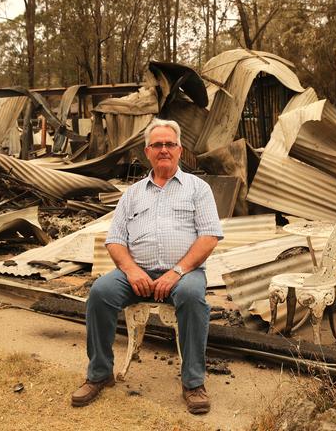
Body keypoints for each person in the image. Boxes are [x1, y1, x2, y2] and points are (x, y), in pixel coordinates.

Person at [71, 118, 223, 414]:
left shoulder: (198, 189)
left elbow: (209, 237)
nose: (163, 149)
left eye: (169, 144)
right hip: (136, 272)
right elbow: (115, 241)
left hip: (184, 273)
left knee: (192, 298)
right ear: (147, 151)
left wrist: (177, 271)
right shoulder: (132, 194)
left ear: (180, 149)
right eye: (157, 145)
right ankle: (99, 375)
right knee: (100, 293)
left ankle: (193, 383)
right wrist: (130, 270)